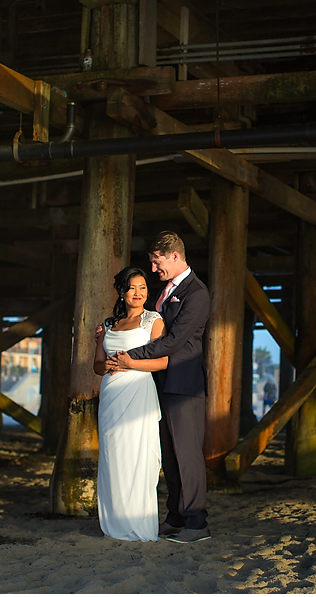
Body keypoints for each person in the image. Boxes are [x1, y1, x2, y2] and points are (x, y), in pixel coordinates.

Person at [109, 230, 211, 544]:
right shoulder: (168, 290)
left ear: (174, 256)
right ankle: (176, 517)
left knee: (187, 454)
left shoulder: (197, 294)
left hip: (184, 385)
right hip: (159, 385)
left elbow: (172, 341)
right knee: (169, 455)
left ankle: (197, 523)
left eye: (156, 262)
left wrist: (128, 357)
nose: (153, 269)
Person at [93, 266, 169, 542]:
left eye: (143, 288)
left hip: (138, 393)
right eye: (132, 288)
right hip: (111, 395)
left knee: (137, 457)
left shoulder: (153, 320)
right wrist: (106, 357)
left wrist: (130, 363)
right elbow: (97, 367)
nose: (138, 293)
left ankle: (137, 524)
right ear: (122, 292)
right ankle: (114, 523)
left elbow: (163, 362)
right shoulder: (109, 324)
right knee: (114, 457)